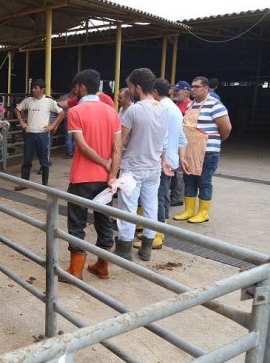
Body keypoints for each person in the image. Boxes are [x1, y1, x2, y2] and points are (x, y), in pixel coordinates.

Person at [58, 69, 122, 283]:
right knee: (104, 220)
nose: (73, 92)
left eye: (74, 88)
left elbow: (82, 146)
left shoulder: (76, 111)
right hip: (106, 179)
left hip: (83, 177)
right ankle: (102, 267)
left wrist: (103, 162)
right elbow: (118, 148)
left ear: (82, 87)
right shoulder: (111, 111)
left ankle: (76, 270)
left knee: (77, 222)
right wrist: (111, 174)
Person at [112, 68, 168, 262]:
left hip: (133, 167)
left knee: (127, 207)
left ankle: (125, 248)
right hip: (153, 167)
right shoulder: (164, 108)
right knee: (151, 206)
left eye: (129, 87)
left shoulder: (133, 110)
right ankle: (146, 248)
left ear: (137, 87)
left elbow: (121, 141)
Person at [134, 78, 187, 250]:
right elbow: (181, 138)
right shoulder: (175, 109)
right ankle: (156, 230)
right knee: (162, 196)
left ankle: (157, 234)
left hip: (160, 159)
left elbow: (161, 137)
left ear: (155, 92)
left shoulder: (161, 108)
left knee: (157, 198)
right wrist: (180, 158)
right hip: (170, 159)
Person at [173, 76, 231, 223]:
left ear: (205, 88)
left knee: (204, 181)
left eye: (196, 87)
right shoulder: (190, 105)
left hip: (208, 151)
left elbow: (226, 128)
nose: (192, 89)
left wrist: (214, 141)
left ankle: (203, 212)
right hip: (190, 150)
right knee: (189, 180)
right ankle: (189, 210)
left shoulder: (215, 105)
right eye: (192, 86)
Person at [14, 79, 64, 190]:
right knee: (27, 160)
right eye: (33, 88)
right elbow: (17, 110)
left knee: (44, 161)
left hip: (43, 134)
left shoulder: (49, 101)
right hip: (29, 134)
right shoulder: (28, 101)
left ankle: (44, 186)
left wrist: (52, 125)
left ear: (42, 90)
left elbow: (61, 113)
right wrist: (22, 122)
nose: (33, 90)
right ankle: (24, 184)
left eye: (36, 88)